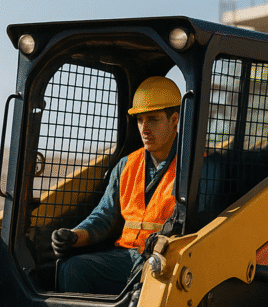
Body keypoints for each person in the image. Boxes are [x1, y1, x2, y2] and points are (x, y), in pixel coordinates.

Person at [51, 76, 181, 294]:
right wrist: (74, 236)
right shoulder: (126, 165)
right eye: (140, 120)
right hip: (126, 257)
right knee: (72, 269)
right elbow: (104, 216)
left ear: (174, 120)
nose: (144, 129)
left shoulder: (196, 167)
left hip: (168, 261)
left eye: (153, 119)